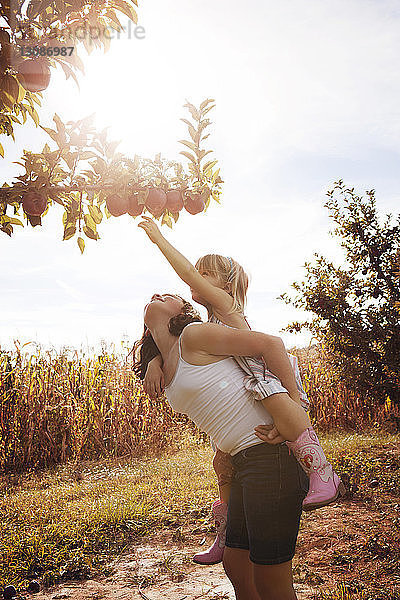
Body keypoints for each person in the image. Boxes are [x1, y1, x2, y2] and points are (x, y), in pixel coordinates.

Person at [138, 216, 344, 565]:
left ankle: (322, 472)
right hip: (249, 382)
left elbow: (187, 273)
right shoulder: (204, 322)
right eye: (198, 274)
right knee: (221, 464)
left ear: (226, 283)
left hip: (262, 376)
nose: (195, 280)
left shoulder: (225, 304)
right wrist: (155, 360)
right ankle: (225, 530)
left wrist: (158, 239)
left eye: (206, 275)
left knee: (288, 420)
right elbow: (180, 345)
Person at [133, 293, 312, 600]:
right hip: (244, 464)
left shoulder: (194, 334)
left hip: (270, 458)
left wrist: (294, 410)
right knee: (236, 565)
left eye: (169, 295)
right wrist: (154, 359)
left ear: (184, 312)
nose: (156, 295)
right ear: (148, 331)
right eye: (155, 295)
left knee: (270, 579)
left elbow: (272, 344)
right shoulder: (167, 359)